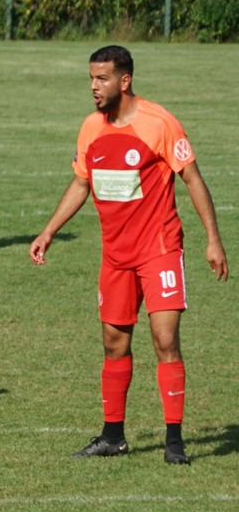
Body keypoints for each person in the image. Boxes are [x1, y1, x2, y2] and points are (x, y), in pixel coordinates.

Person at [29, 45, 229, 465]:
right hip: (115, 255)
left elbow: (192, 178)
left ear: (125, 80)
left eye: (101, 78)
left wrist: (213, 239)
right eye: (91, 78)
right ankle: (112, 436)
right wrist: (48, 231)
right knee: (114, 343)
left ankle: (174, 441)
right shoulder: (91, 128)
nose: (93, 86)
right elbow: (81, 183)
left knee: (165, 340)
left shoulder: (160, 123)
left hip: (159, 249)